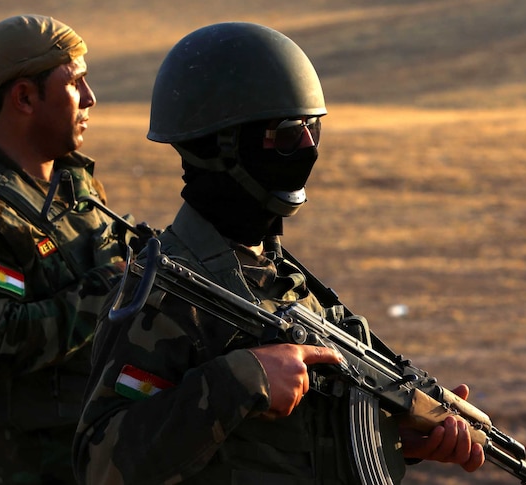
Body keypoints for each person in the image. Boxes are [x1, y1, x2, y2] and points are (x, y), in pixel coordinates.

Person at [73, 22, 484, 484]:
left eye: (313, 130)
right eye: (287, 135)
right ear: (222, 145)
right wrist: (242, 380)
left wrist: (398, 440)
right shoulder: (164, 292)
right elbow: (100, 464)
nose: (307, 149)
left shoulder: (285, 282)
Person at [0, 14, 150, 485]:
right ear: (24, 97)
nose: (90, 100)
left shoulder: (76, 183)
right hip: (41, 465)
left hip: (108, 447)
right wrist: (114, 286)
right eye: (76, 84)